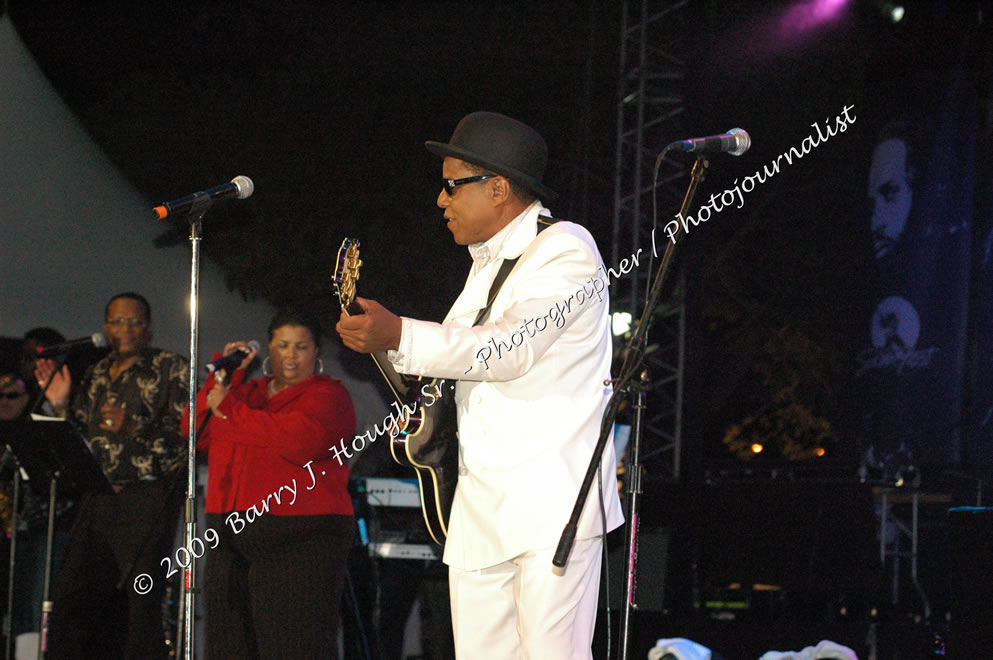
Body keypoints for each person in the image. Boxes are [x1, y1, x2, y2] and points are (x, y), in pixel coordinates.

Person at [336, 111, 624, 658]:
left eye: (451, 186)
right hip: (479, 504)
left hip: (549, 505)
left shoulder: (565, 248)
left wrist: (400, 331)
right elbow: (450, 370)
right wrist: (387, 344)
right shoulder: (486, 265)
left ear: (497, 188)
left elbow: (508, 349)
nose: (440, 201)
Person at [186, 309, 356, 658]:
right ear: (268, 349)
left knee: (293, 645)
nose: (290, 356)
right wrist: (222, 376)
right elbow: (194, 430)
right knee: (228, 646)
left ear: (316, 352)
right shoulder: (245, 393)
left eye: (301, 347)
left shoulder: (328, 396)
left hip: (300, 539)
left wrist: (232, 413)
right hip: (229, 536)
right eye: (282, 345)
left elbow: (301, 443)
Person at [34, 292, 188, 659]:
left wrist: (134, 425)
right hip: (98, 496)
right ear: (105, 327)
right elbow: (83, 440)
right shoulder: (97, 372)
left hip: (145, 499)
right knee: (71, 598)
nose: (125, 329)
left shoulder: (171, 367)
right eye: (117, 322)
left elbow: (186, 442)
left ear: (148, 328)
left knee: (141, 602)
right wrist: (58, 405)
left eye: (134, 322)